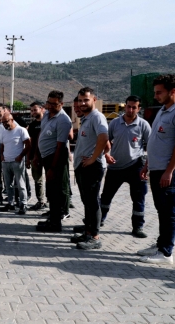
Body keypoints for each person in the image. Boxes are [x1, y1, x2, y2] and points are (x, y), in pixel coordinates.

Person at [137, 74, 175, 265]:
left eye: (159, 92)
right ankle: (160, 244)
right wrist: (147, 164)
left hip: (170, 171)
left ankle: (166, 252)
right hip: (157, 168)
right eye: (155, 92)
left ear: (172, 91)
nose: (155, 96)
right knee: (161, 210)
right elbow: (155, 141)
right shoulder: (163, 110)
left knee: (170, 211)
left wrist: (169, 171)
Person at [98, 96, 151, 239]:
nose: (131, 109)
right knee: (106, 197)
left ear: (139, 109)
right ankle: (99, 221)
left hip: (136, 167)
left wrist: (146, 167)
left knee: (138, 198)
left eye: (134, 107)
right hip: (115, 167)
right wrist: (106, 154)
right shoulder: (115, 123)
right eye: (128, 106)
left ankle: (138, 227)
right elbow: (104, 140)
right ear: (125, 107)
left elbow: (151, 147)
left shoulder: (143, 125)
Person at [71, 87, 109, 250]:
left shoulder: (97, 117)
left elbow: (104, 137)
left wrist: (94, 157)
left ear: (94, 99)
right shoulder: (86, 118)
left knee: (92, 202)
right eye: (80, 100)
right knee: (87, 201)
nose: (82, 103)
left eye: (86, 100)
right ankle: (88, 232)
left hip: (92, 167)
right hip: (83, 166)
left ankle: (94, 237)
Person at [36, 91, 72, 232]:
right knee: (50, 190)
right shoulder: (46, 115)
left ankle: (56, 223)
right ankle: (52, 218)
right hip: (46, 157)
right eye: (48, 103)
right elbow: (42, 134)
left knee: (56, 191)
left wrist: (52, 168)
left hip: (55, 158)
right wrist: (38, 155)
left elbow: (60, 146)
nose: (50, 106)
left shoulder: (63, 120)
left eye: (54, 104)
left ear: (61, 104)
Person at [0, 113, 31, 214]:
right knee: (8, 185)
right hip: (6, 162)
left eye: (6, 122)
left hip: (17, 162)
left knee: (21, 184)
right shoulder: (4, 132)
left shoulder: (21, 130)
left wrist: (21, 156)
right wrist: (1, 155)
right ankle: (10, 203)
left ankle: (23, 204)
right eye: (3, 122)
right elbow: (3, 145)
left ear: (12, 120)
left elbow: (28, 144)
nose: (5, 124)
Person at [27, 101, 47, 210]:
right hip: (35, 157)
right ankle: (41, 201)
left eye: (35, 109)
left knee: (50, 179)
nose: (33, 112)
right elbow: (29, 142)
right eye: (32, 110)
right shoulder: (32, 125)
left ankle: (51, 201)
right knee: (37, 180)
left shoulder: (48, 122)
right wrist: (29, 158)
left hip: (47, 156)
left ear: (42, 109)